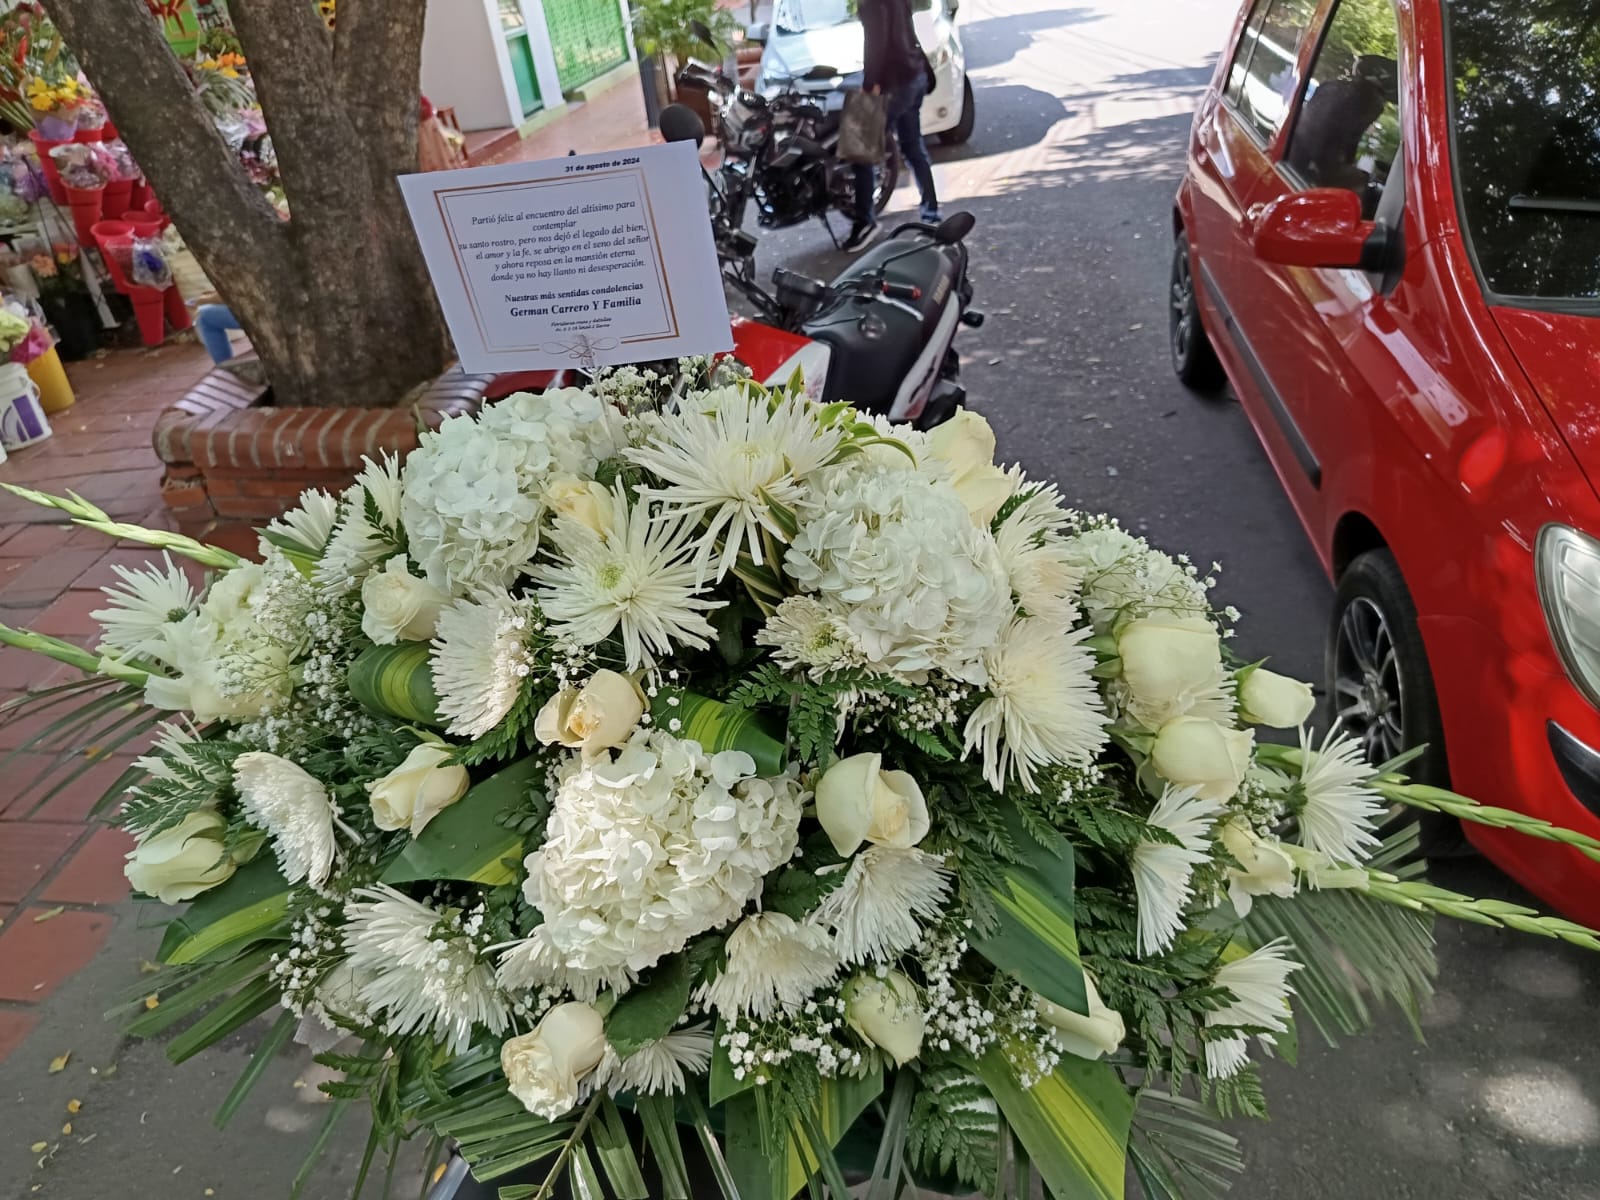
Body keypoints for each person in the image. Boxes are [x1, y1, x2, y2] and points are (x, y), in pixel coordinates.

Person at [845, 0, 940, 252]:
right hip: (914, 75)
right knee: (913, 147)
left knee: (861, 149)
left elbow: (876, 42)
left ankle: (865, 222)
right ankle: (931, 214)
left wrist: (870, 84)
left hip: (894, 84)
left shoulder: (871, 4)